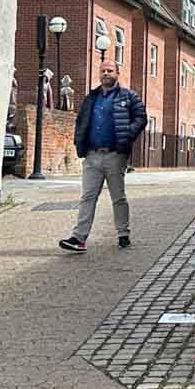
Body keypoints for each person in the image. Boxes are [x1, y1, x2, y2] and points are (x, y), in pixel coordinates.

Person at [59, 60, 145, 253]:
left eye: (110, 70)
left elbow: (141, 118)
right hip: (92, 156)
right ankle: (78, 238)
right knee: (88, 196)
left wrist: (127, 134)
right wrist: (80, 143)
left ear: (117, 73)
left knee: (118, 197)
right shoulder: (92, 97)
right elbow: (82, 121)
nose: (106, 73)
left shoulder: (129, 96)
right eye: (103, 71)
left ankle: (123, 234)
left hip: (115, 155)